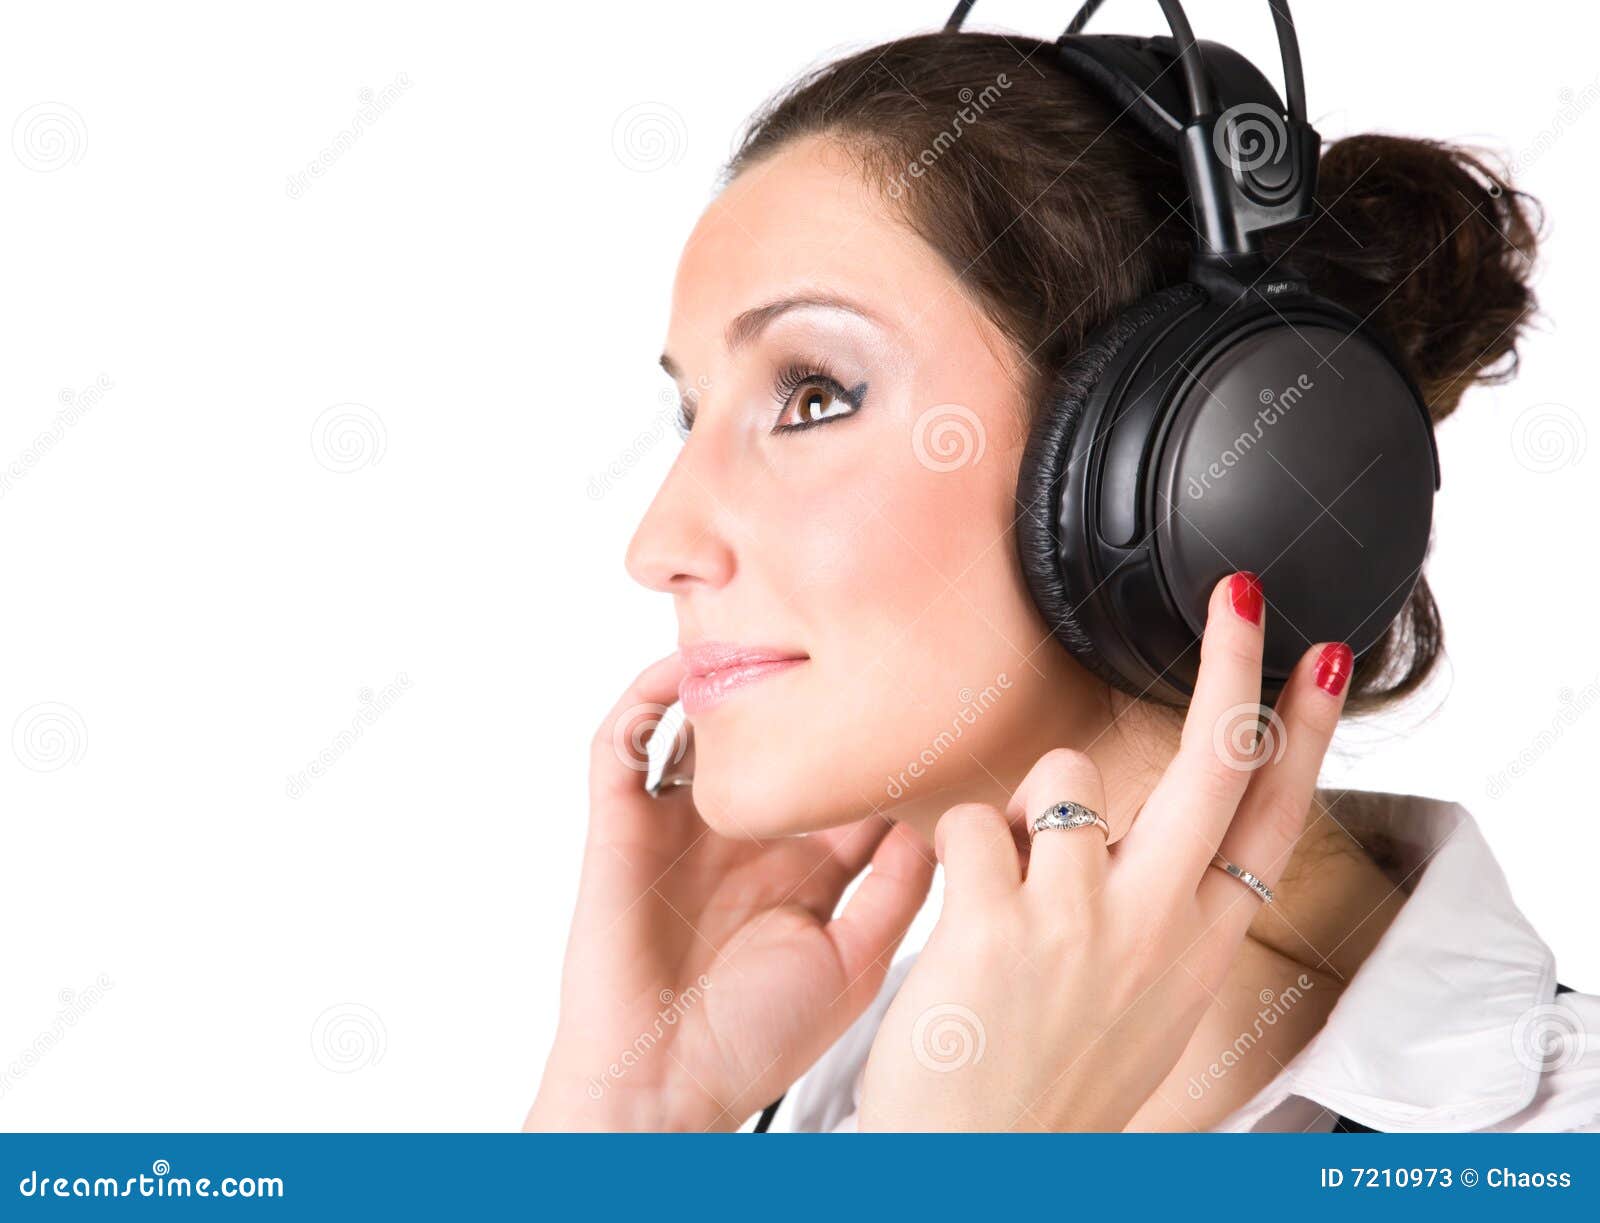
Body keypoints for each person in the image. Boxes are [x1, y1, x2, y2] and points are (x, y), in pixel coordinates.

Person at [525, 29, 1598, 1132]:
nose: (657, 542)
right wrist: (636, 1114)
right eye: (691, 414)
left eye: (812, 394)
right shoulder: (848, 1104)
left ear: (1185, 471)